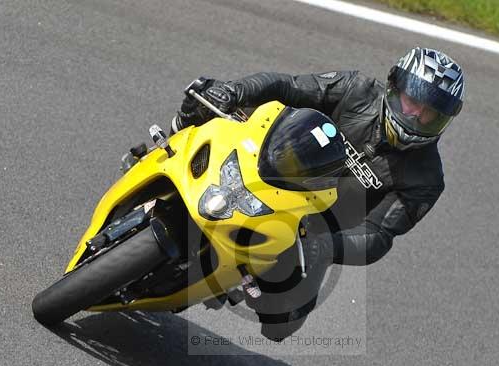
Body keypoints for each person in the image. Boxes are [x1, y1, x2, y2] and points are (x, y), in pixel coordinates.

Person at [173, 48, 466, 341]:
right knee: (208, 99)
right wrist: (235, 90)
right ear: (393, 88)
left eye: (429, 112)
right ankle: (166, 147)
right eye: (412, 101)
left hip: (304, 234)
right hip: (267, 169)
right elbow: (288, 87)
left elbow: (379, 234)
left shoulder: (426, 179)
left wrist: (325, 246)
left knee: (280, 323)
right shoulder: (356, 89)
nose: (416, 114)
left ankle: (228, 275)